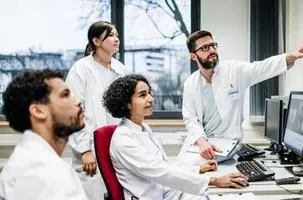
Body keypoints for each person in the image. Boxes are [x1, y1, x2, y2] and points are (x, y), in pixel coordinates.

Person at [179, 30, 303, 163]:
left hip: (227, 142)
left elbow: (262, 68)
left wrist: (292, 56)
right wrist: (202, 141)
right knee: (182, 163)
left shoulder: (234, 71)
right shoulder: (190, 83)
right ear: (193, 56)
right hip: (202, 142)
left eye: (213, 45)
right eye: (204, 48)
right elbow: (190, 119)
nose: (212, 50)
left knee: (189, 166)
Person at [103, 74, 248, 200]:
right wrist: (214, 180)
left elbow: (163, 166)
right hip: (150, 197)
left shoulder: (143, 128)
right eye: (142, 95)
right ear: (127, 104)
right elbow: (160, 172)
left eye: (149, 93)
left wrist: (197, 169)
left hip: (164, 192)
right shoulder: (123, 140)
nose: (150, 99)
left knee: (217, 196)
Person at [0, 69, 88, 200]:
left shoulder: (32, 159)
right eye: (65, 95)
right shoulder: (44, 172)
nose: (78, 102)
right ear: (38, 111)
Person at [65, 20, 128, 199]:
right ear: (96, 41)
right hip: (90, 146)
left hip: (118, 145)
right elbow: (73, 112)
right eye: (110, 35)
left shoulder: (121, 69)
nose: (116, 39)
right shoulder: (81, 69)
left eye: (117, 35)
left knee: (118, 192)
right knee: (93, 193)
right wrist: (84, 150)